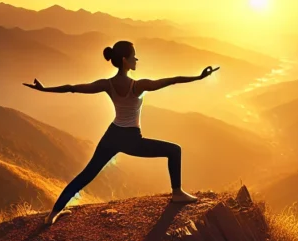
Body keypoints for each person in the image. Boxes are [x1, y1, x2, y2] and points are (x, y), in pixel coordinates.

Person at [23, 40, 219, 224]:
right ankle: (177, 193)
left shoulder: (107, 84)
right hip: (131, 139)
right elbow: (172, 81)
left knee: (86, 174)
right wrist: (199, 77)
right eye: (134, 56)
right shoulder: (139, 85)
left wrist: (44, 89)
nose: (136, 59)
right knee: (174, 150)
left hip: (112, 135)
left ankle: (53, 215)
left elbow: (72, 88)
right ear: (125, 60)